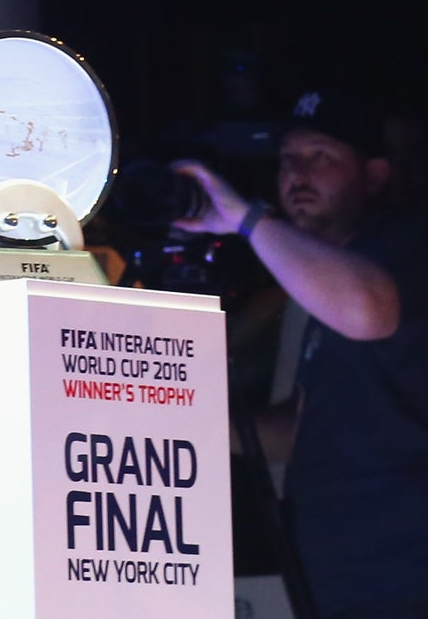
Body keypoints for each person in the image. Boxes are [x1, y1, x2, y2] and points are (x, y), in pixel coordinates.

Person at [174, 88, 428, 618]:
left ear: (375, 174)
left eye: (321, 157)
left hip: (403, 575)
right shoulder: (328, 274)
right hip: (340, 581)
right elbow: (306, 427)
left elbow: (366, 311)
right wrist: (180, 422)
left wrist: (245, 219)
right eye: (288, 158)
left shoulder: (403, 246)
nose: (298, 174)